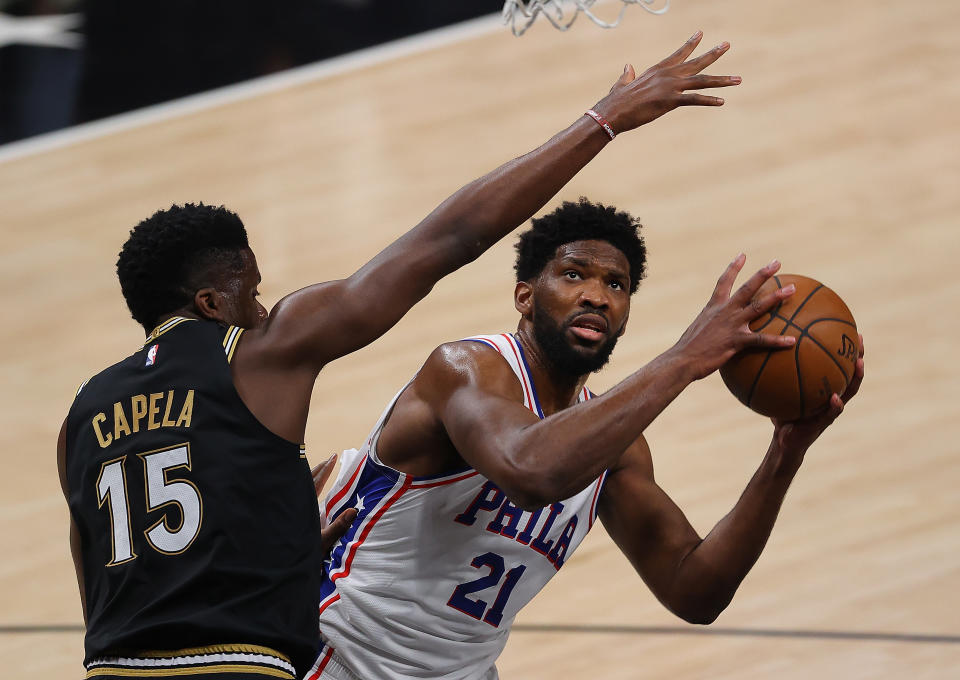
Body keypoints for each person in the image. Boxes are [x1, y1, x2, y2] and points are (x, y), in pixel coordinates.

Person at [57, 30, 742, 680]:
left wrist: (284, 557)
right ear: (212, 304)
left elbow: (111, 589)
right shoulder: (266, 351)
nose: (264, 309)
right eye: (252, 291)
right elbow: (450, 238)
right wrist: (602, 121)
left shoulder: (81, 420)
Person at [308, 198, 866, 680]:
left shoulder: (615, 447)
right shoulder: (467, 368)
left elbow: (695, 590)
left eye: (615, 284)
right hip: (331, 653)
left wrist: (785, 453)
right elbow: (530, 472)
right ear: (526, 296)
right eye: (574, 274)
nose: (596, 295)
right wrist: (684, 358)